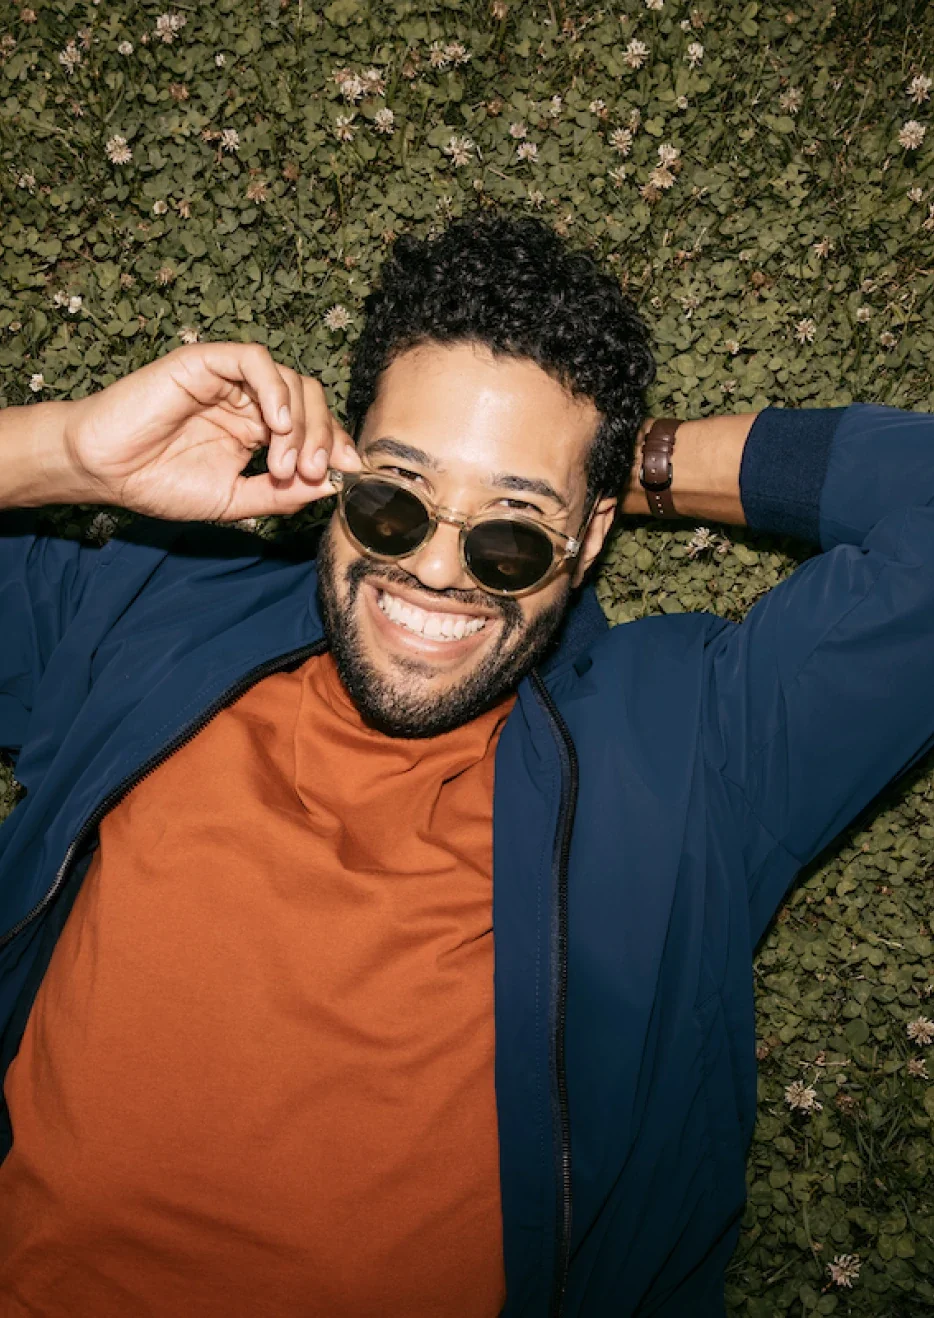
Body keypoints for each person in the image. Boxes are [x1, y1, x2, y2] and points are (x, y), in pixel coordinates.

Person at [0, 214, 931, 1318]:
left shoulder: (690, 756)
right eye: (396, 499)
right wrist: (66, 454)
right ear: (341, 468)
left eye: (512, 532)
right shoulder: (147, 611)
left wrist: (620, 461)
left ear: (588, 545)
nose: (437, 568)